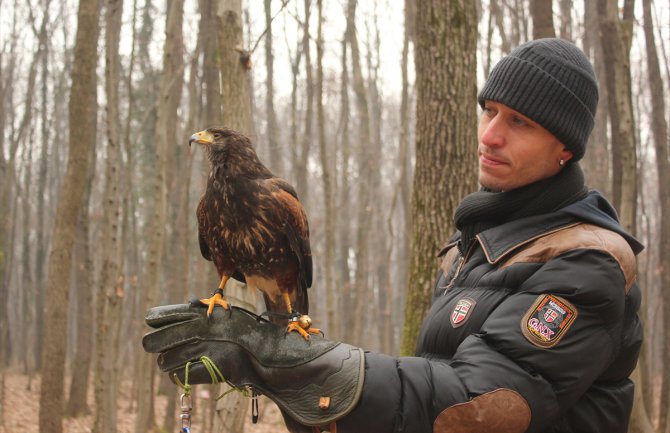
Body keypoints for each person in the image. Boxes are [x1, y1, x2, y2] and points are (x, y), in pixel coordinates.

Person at [143, 38, 644, 433]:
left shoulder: (587, 261)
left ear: (564, 149)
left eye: (520, 121)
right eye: (489, 110)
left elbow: (482, 405)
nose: (490, 134)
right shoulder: (475, 246)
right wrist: (280, 373)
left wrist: (298, 364)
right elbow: (424, 395)